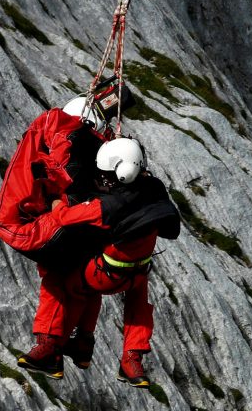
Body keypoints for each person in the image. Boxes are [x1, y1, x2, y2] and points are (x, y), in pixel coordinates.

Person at [17, 138, 181, 388]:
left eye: (106, 176)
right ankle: (130, 360)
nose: (103, 180)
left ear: (120, 174)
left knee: (60, 279)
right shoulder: (155, 188)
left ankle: (50, 348)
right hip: (138, 273)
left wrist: (55, 199)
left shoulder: (108, 207)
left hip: (105, 275)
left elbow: (64, 217)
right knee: (137, 304)